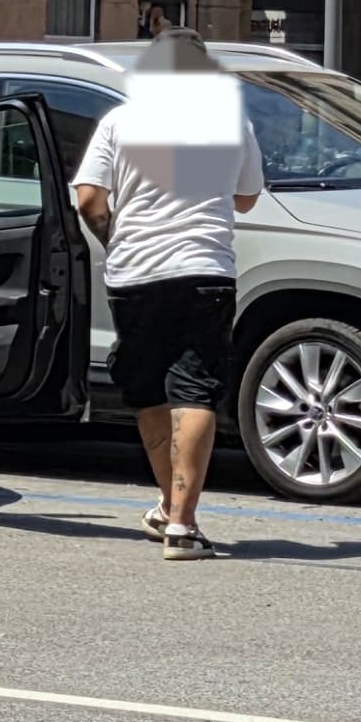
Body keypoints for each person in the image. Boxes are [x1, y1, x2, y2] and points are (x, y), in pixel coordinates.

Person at [71, 32, 266, 559]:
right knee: (195, 389)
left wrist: (117, 240)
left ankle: (171, 509)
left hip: (134, 274)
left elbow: (89, 198)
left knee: (149, 390)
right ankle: (181, 522)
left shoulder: (120, 119)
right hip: (204, 270)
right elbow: (246, 200)